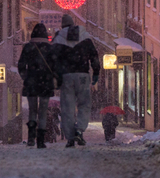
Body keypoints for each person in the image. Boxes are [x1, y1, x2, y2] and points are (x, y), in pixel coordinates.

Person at [52, 14, 101, 148]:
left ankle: (69, 137)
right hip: (83, 75)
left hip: (66, 76)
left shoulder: (58, 38)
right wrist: (96, 71)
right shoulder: (85, 36)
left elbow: (52, 59)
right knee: (84, 104)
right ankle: (79, 130)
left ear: (62, 26)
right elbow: (94, 55)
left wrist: (56, 76)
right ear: (73, 24)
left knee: (67, 107)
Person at [17, 23, 60, 149]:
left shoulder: (28, 47)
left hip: (31, 83)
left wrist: (26, 77)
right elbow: (55, 66)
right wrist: (55, 79)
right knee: (43, 111)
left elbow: (21, 65)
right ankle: (41, 140)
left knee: (32, 110)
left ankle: (31, 138)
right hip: (46, 83)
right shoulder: (50, 48)